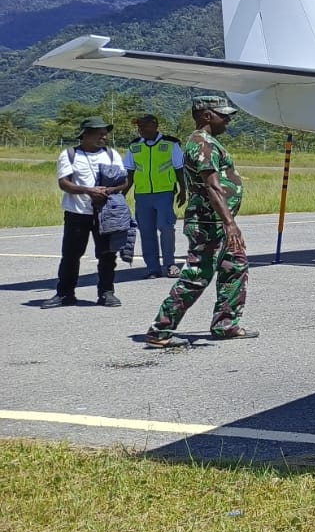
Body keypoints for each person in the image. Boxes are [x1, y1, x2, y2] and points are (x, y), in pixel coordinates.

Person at [144, 97, 257, 348]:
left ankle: (226, 324)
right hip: (209, 222)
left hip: (218, 220)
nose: (227, 120)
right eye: (222, 115)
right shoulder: (201, 144)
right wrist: (229, 223)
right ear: (206, 115)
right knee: (197, 275)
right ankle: (160, 330)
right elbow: (212, 186)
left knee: (235, 267)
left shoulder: (210, 143)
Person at [42, 117, 130, 308]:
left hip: (105, 213)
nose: (104, 137)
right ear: (86, 135)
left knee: (107, 255)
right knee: (71, 255)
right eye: (99, 134)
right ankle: (65, 293)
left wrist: (108, 191)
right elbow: (63, 183)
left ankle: (106, 292)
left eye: (105, 133)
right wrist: (89, 191)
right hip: (78, 212)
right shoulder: (70, 154)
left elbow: (124, 182)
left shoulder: (111, 154)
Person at [125, 113, 186, 279]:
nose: (141, 129)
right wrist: (122, 194)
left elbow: (179, 168)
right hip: (143, 195)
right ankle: (152, 268)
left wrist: (183, 189)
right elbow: (129, 174)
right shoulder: (134, 146)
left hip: (164, 193)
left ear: (155, 125)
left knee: (166, 228)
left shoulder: (170, 144)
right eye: (139, 127)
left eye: (144, 125)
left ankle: (170, 264)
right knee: (146, 231)